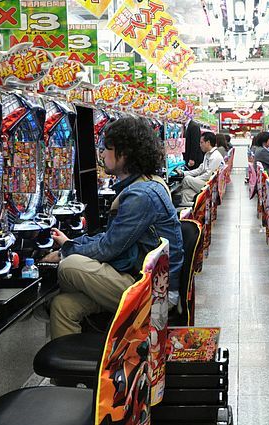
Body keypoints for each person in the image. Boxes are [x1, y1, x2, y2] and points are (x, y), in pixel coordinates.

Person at [39, 117, 185, 339]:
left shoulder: (141, 196)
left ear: (124, 153)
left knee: (69, 266)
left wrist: (64, 252)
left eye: (106, 148)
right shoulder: (146, 183)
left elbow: (108, 248)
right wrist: (71, 243)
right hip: (142, 280)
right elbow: (112, 238)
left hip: (152, 293)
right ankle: (77, 374)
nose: (101, 155)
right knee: (62, 307)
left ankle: (48, 304)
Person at [179, 131, 224, 205]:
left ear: (208, 142)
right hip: (206, 183)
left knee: (187, 179)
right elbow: (200, 169)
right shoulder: (208, 154)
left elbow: (208, 175)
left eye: (201, 142)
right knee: (185, 192)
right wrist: (184, 173)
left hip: (211, 186)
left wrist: (193, 180)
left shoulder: (215, 156)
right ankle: (190, 213)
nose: (200, 145)